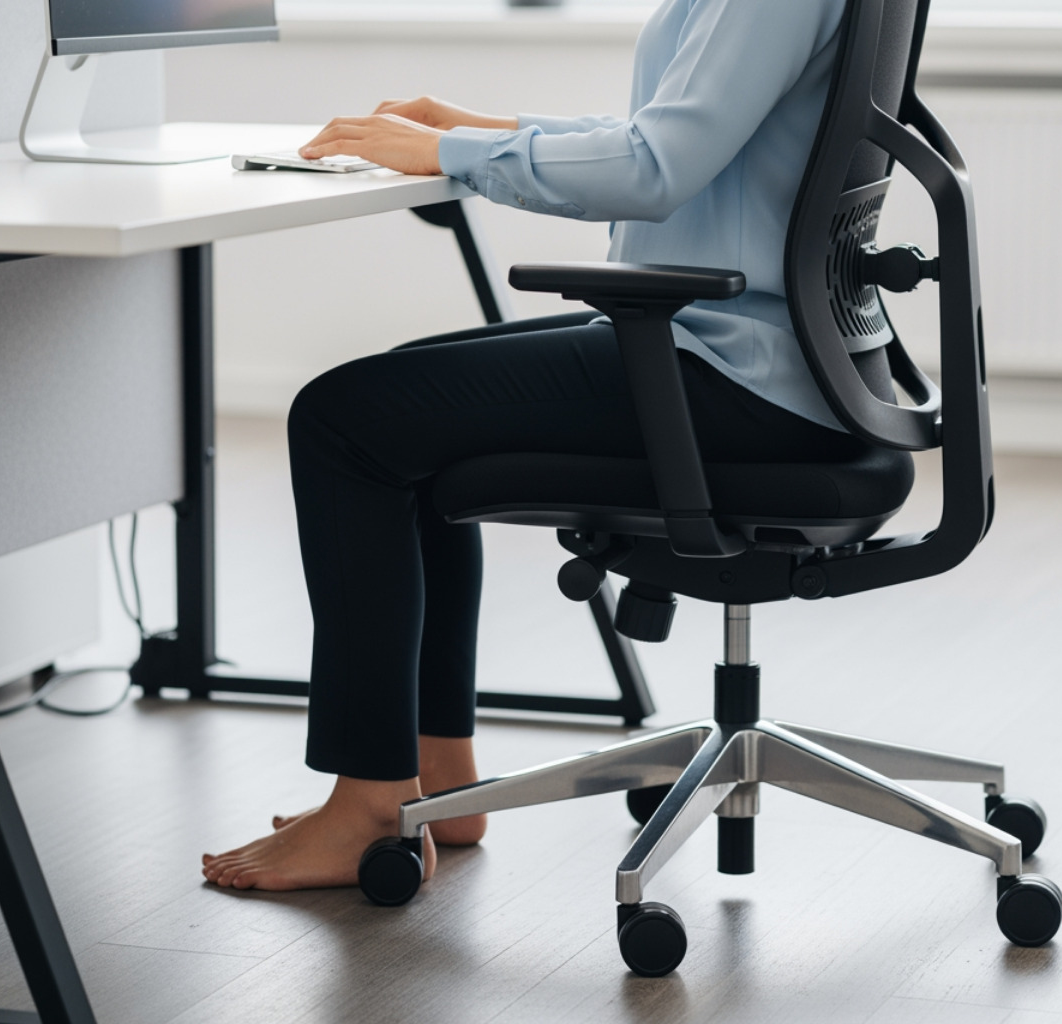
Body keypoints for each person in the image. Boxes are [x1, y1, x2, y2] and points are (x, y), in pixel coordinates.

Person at [201, 0, 880, 891]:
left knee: (343, 424)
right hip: (749, 355)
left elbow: (654, 169)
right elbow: (666, 133)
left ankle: (368, 802)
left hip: (730, 374)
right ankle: (437, 771)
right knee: (395, 409)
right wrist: (479, 129)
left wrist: (453, 158)